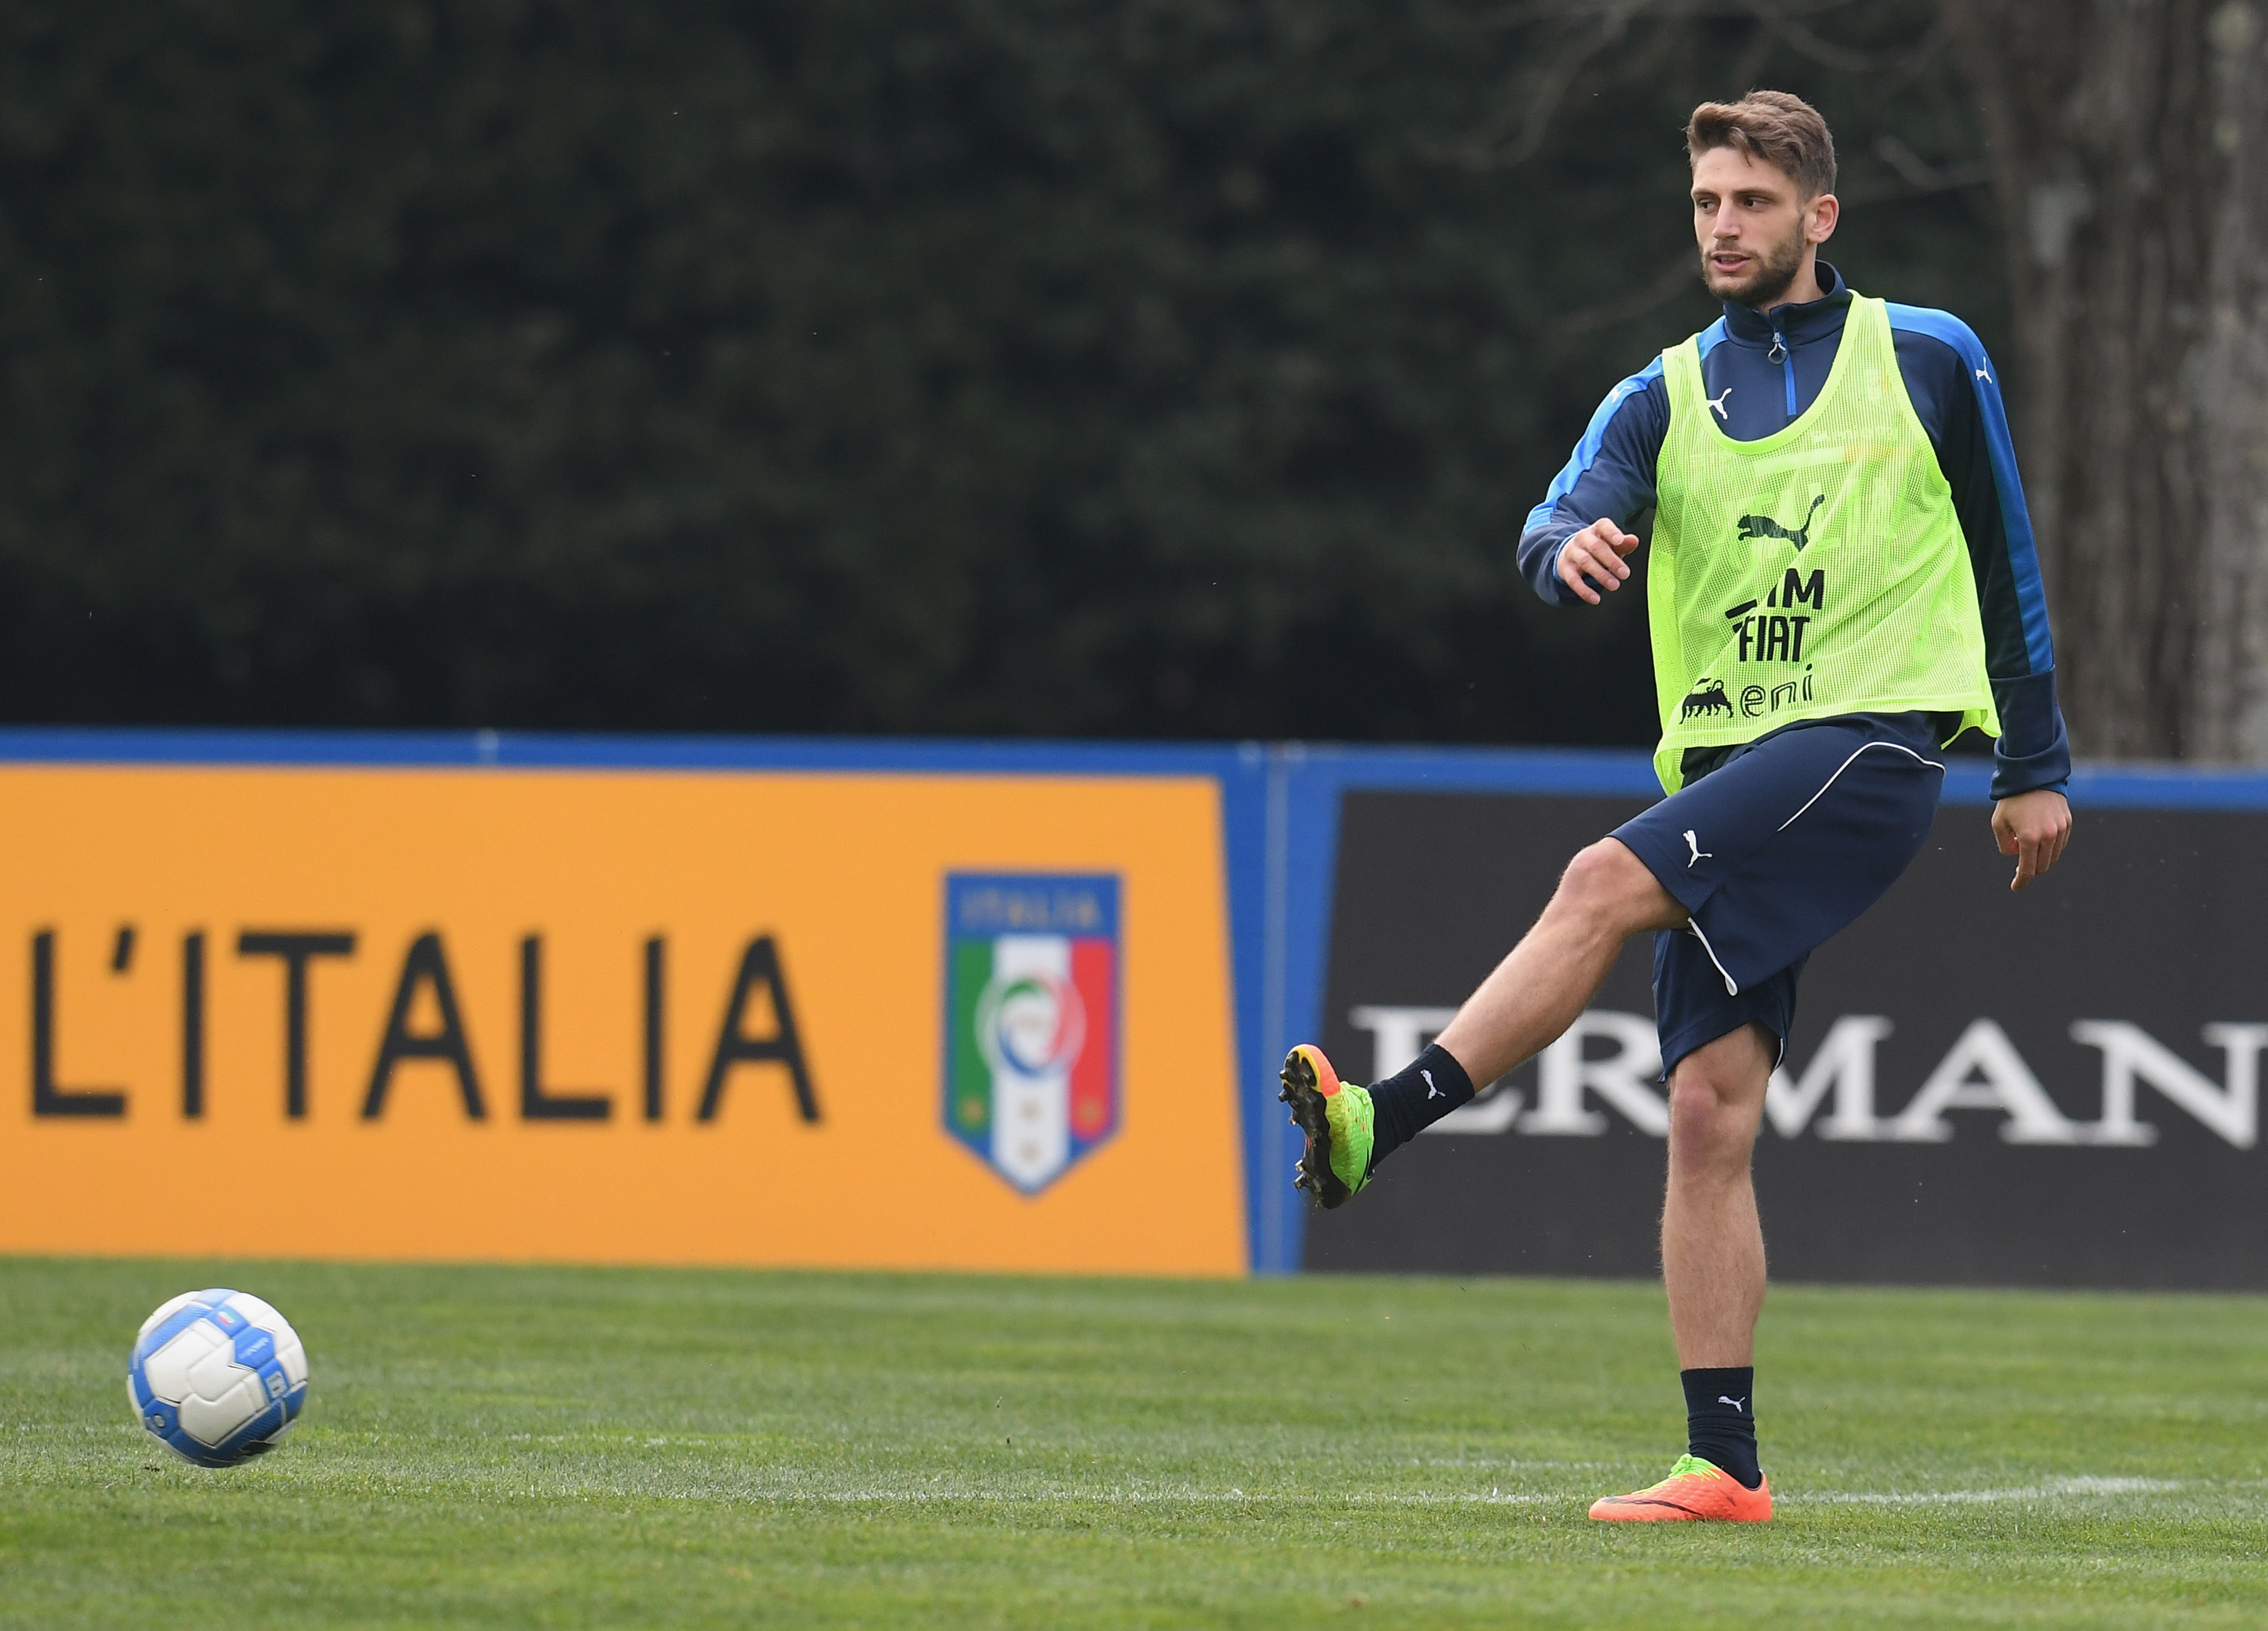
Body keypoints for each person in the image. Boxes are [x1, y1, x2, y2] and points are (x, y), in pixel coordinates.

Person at [1277, 90, 2073, 1524]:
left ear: (1819, 217)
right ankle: (1727, 1464)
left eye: (1752, 203)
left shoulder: (1931, 356)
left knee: (1592, 880)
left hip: (1872, 743)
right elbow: (1550, 514)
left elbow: (2008, 557)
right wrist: (1563, 549)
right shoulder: (1660, 391)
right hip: (1727, 773)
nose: (1722, 224)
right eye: (1706, 202)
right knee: (1707, 1115)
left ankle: (1375, 1125)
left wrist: (2033, 765)